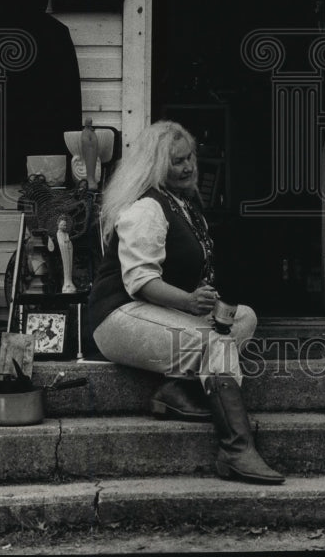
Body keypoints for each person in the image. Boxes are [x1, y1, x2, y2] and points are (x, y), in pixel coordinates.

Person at [88, 120, 284, 485]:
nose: (189, 166)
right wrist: (191, 301)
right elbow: (141, 282)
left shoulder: (185, 206)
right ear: (157, 165)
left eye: (191, 157)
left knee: (243, 318)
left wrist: (207, 300)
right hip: (117, 318)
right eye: (178, 161)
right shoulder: (147, 207)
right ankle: (237, 449)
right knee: (217, 342)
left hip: (159, 312)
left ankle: (179, 389)